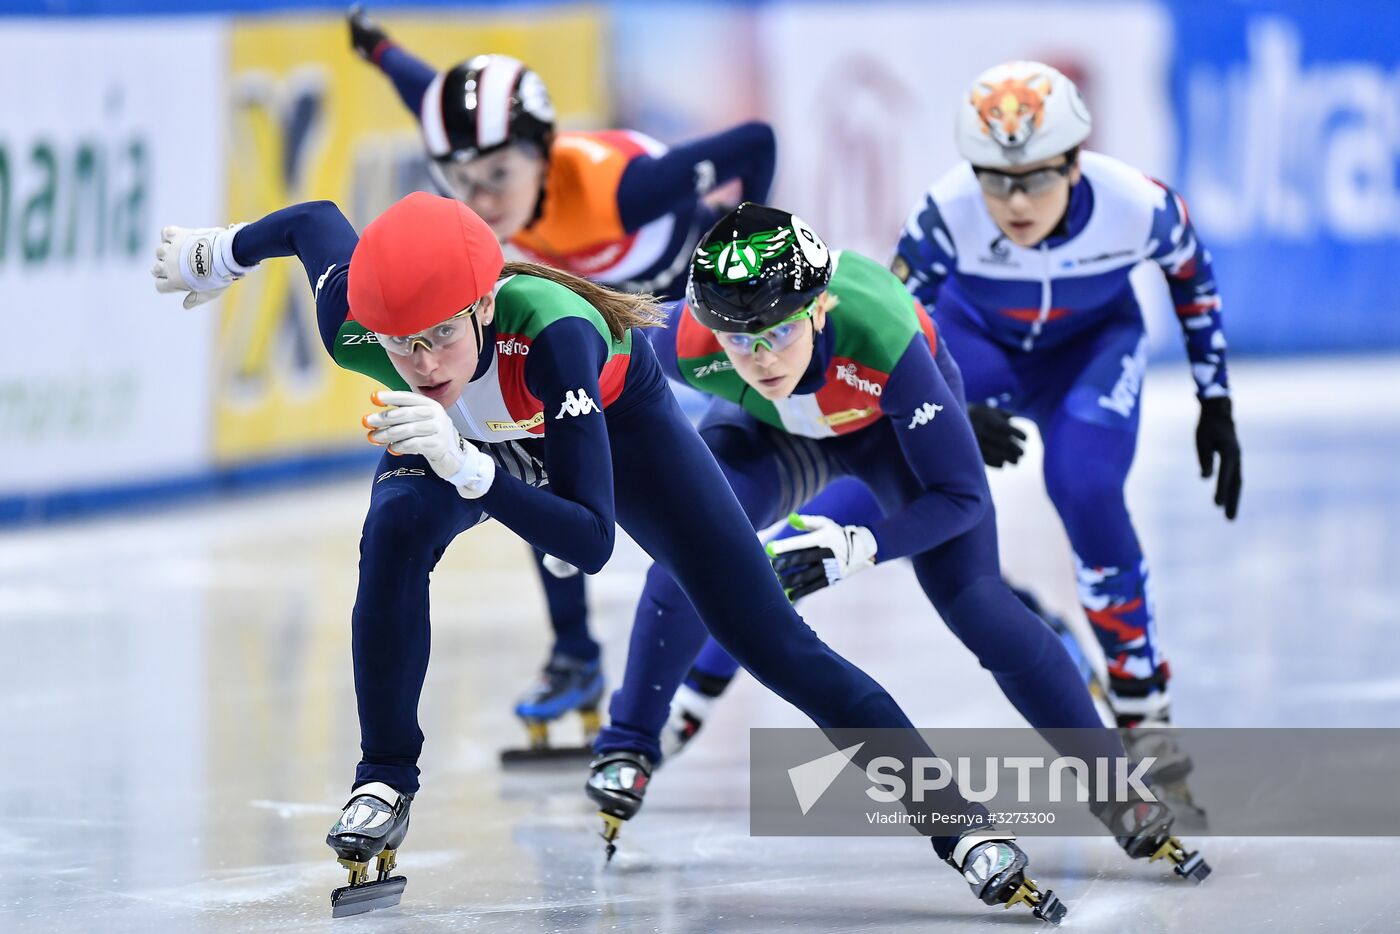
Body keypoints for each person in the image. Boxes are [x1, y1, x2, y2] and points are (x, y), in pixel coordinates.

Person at [151, 192, 1074, 922]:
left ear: (481, 302)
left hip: (612, 433)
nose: (419, 361)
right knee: (390, 536)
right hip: (465, 441)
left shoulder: (555, 334)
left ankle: (959, 829)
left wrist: (474, 470)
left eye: (437, 336)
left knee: (773, 642)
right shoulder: (359, 324)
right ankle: (384, 779)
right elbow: (314, 223)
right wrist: (221, 252)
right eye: (399, 344)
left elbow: (591, 540)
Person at [587, 201, 1208, 886]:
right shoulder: (686, 339)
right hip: (769, 436)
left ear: (819, 308)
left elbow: (962, 497)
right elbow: (577, 359)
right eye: (739, 338)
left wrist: (864, 543)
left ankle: (1115, 786)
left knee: (982, 611)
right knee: (686, 553)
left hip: (886, 433)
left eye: (780, 329)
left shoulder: (879, 334)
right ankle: (629, 744)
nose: (761, 355)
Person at [347, 6, 778, 749]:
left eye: (498, 178)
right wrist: (376, 44)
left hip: (684, 312)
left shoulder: (622, 193)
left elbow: (755, 142)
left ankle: (734, 611)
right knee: (523, 446)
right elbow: (424, 90)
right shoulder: (491, 170)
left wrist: (751, 258)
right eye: (460, 180)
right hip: (592, 322)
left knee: (691, 487)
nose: (480, 201)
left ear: (544, 154)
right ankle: (575, 650)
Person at [889, 61, 1241, 738]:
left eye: (1038, 177)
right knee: (899, 489)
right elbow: (892, 329)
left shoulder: (1138, 204)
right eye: (995, 178)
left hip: (1091, 351)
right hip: (978, 348)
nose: (1017, 202)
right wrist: (948, 409)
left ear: (1076, 164)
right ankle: (1016, 612)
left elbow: (1191, 276)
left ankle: (1144, 708)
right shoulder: (943, 212)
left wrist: (1216, 401)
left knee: (1085, 486)